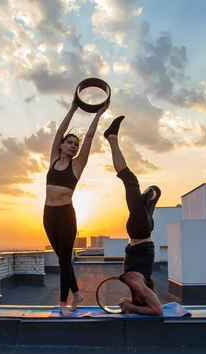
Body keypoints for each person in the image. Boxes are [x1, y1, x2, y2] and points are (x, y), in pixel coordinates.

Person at [44, 95, 109, 316]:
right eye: (70, 142)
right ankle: (77, 293)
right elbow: (59, 131)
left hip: (66, 216)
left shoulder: (77, 165)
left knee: (64, 260)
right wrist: (72, 109)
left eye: (76, 145)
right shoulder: (53, 158)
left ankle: (64, 302)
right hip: (48, 215)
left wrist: (99, 113)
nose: (73, 146)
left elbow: (90, 137)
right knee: (62, 259)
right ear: (61, 145)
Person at [103, 115, 164, 316]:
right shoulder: (138, 285)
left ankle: (148, 199)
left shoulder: (139, 281)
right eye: (136, 299)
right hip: (141, 230)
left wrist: (130, 305)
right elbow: (158, 311)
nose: (130, 298)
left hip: (142, 233)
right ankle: (111, 138)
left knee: (146, 189)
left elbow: (149, 304)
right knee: (130, 181)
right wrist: (131, 307)